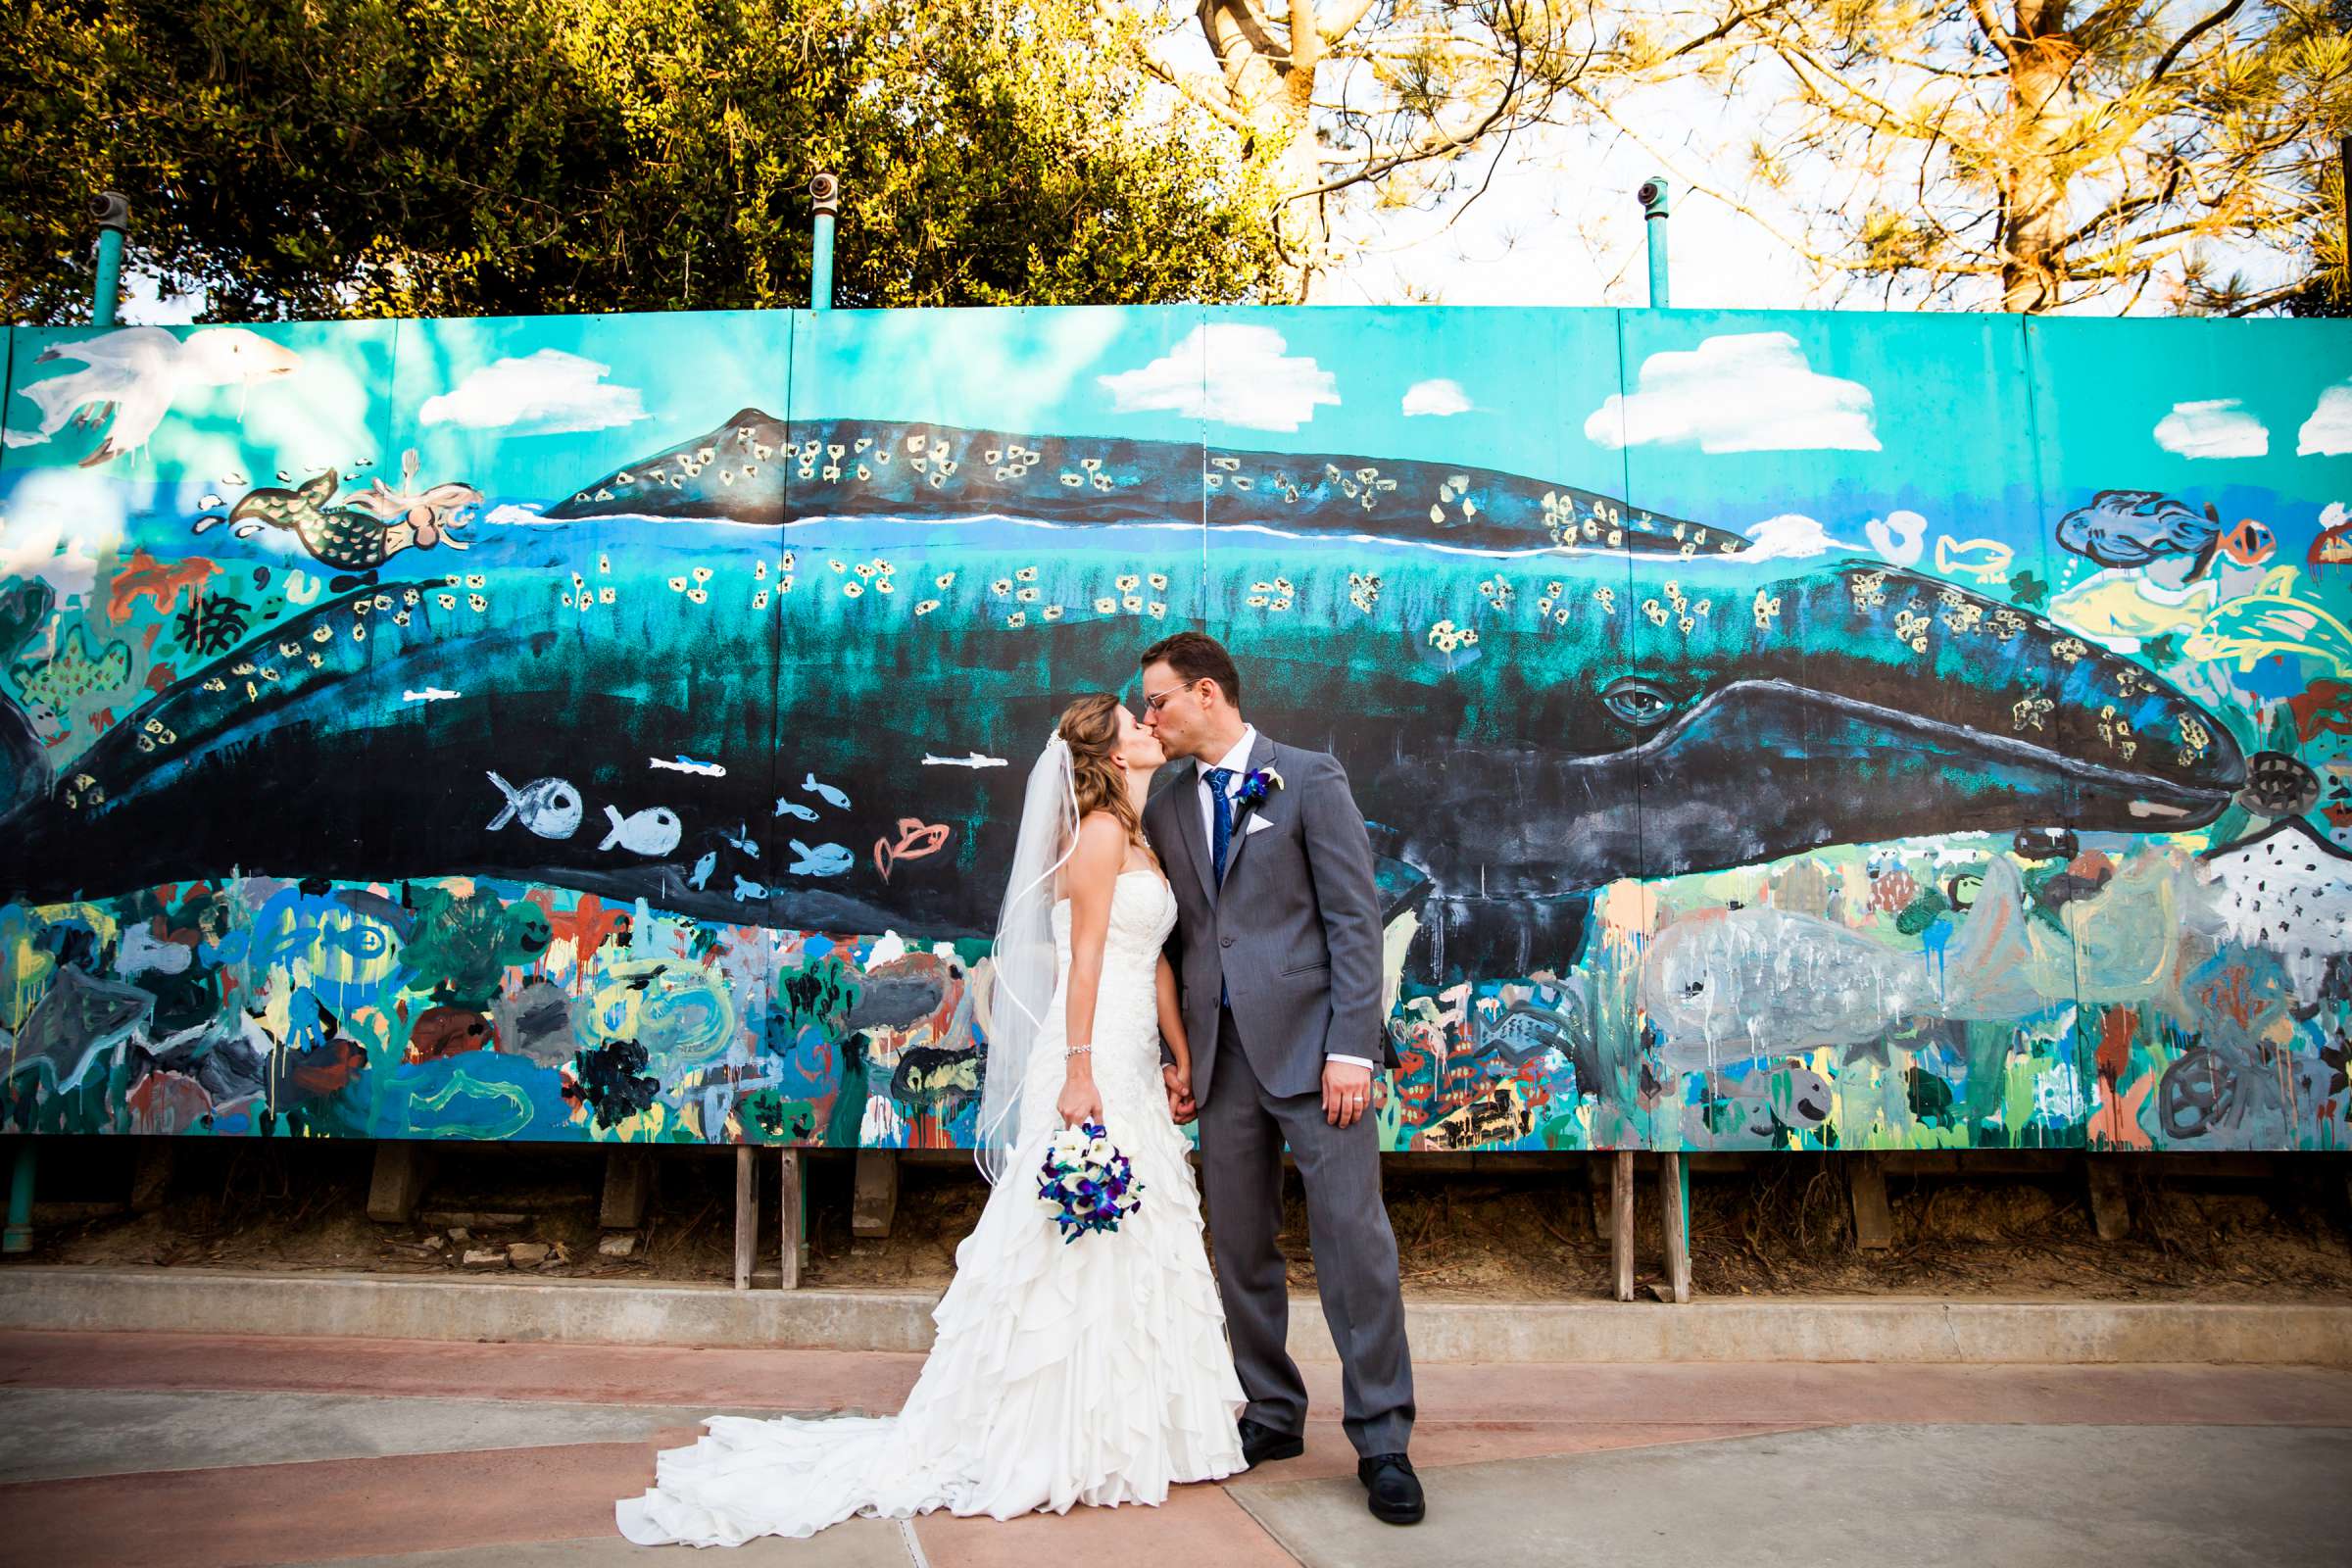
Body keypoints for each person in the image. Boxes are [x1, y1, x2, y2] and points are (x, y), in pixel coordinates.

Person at [616, 693, 1245, 1546]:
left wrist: (1176, 1054)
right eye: (1135, 723)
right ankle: (1053, 1427)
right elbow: (1087, 961)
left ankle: (1134, 1424)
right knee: (1072, 1235)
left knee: (1140, 1228)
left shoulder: (1137, 835)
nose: (1150, 727)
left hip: (1132, 1052)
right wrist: (1078, 1071)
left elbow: (1154, 964)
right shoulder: (1098, 837)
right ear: (1107, 755)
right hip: (1089, 1053)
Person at [1137, 630, 1423, 1527]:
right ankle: (1272, 1411)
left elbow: (1353, 920)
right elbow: (1180, 939)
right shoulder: (1170, 804)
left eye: (1160, 699)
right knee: (1240, 1249)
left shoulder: (1309, 777)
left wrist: (1352, 1049)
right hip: (1222, 1065)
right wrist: (1176, 1058)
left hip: (1314, 1056)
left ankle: (1382, 1440)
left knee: (1352, 1244)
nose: (1151, 715)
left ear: (1209, 694)